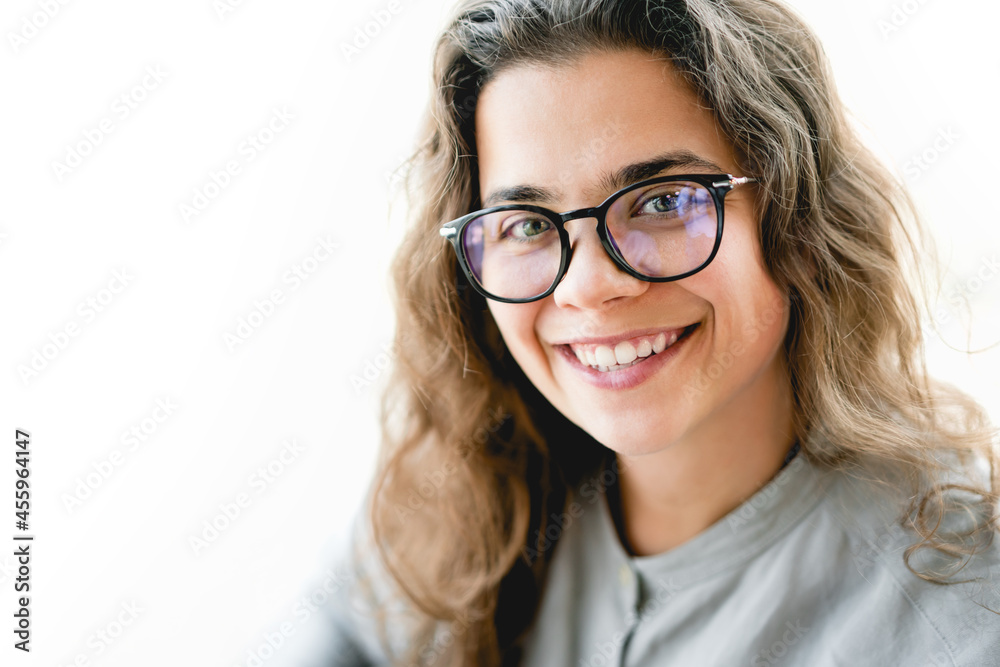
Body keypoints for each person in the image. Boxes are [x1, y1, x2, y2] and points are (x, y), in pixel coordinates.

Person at [305, 0, 1000, 665]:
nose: (586, 285)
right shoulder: (457, 498)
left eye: (663, 201)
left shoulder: (964, 616)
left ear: (797, 219)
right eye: (524, 224)